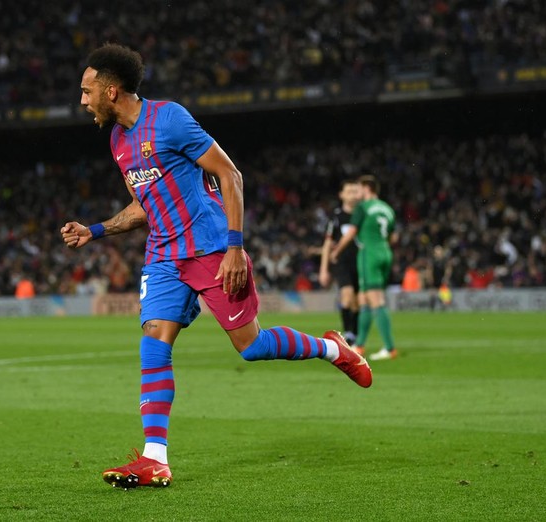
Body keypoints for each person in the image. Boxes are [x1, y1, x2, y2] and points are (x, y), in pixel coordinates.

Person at [60, 44, 372, 489]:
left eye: (87, 91)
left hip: (210, 247)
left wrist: (234, 247)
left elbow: (231, 176)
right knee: (154, 340)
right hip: (164, 255)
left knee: (252, 346)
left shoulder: (169, 119)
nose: (83, 101)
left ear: (111, 91)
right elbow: (143, 205)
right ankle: (155, 458)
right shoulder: (118, 141)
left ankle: (334, 349)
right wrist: (96, 230)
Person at [331, 175, 398, 361]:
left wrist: (336, 251)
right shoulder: (387, 209)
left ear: (367, 189)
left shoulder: (363, 208)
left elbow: (351, 233)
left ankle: (389, 348)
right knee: (365, 300)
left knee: (375, 299)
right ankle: (359, 345)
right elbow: (394, 238)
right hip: (385, 252)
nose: (357, 193)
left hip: (369, 253)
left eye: (359, 189)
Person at [319, 179, 360, 346]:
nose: (352, 195)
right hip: (341, 261)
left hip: (359, 262)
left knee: (356, 302)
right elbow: (328, 243)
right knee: (347, 294)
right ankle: (348, 335)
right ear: (341, 195)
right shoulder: (336, 217)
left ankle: (355, 336)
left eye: (355, 191)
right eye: (349, 191)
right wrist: (324, 269)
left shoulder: (361, 215)